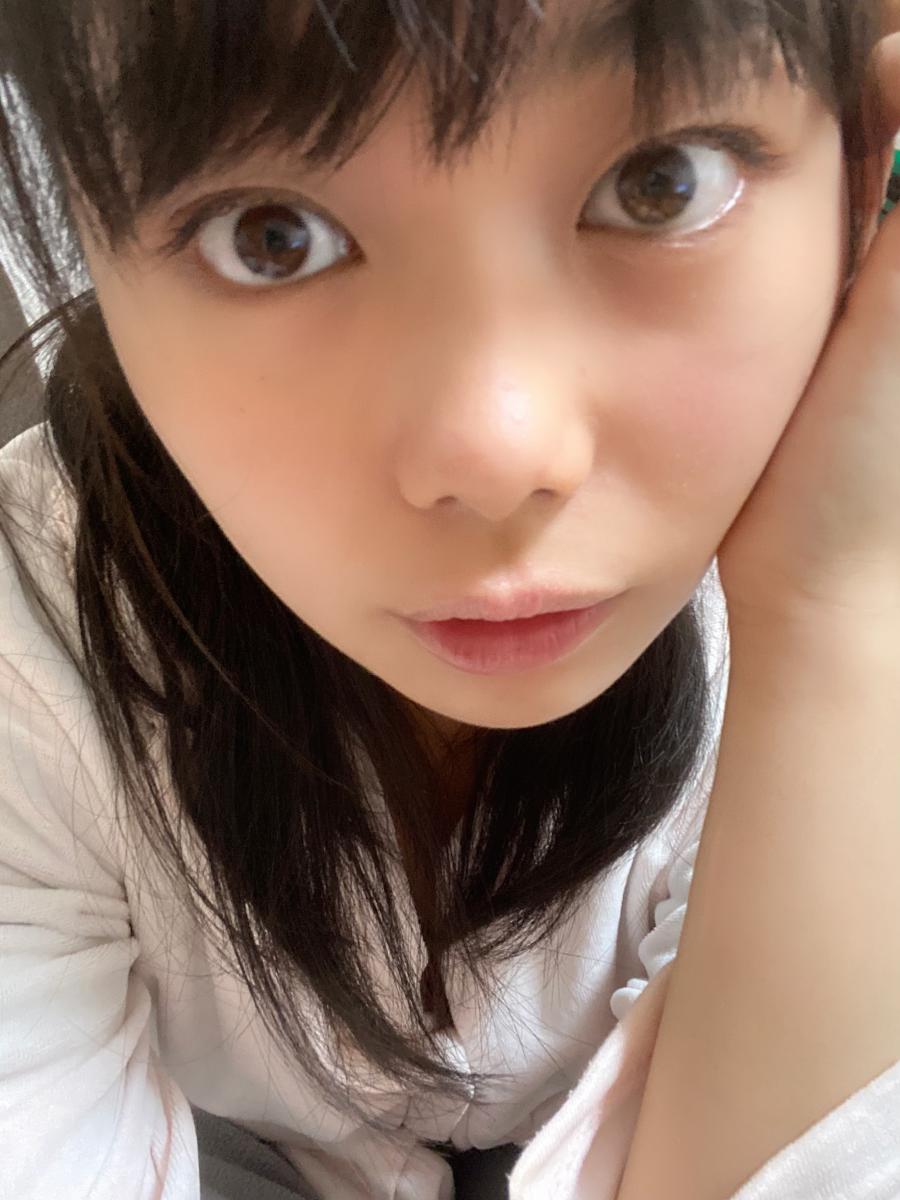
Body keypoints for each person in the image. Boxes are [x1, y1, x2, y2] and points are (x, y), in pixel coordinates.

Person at [0, 2, 899, 1198]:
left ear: (864, 171)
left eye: (659, 185)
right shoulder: (29, 654)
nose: (496, 455)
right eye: (270, 238)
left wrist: (831, 617)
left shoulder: (840, 601)